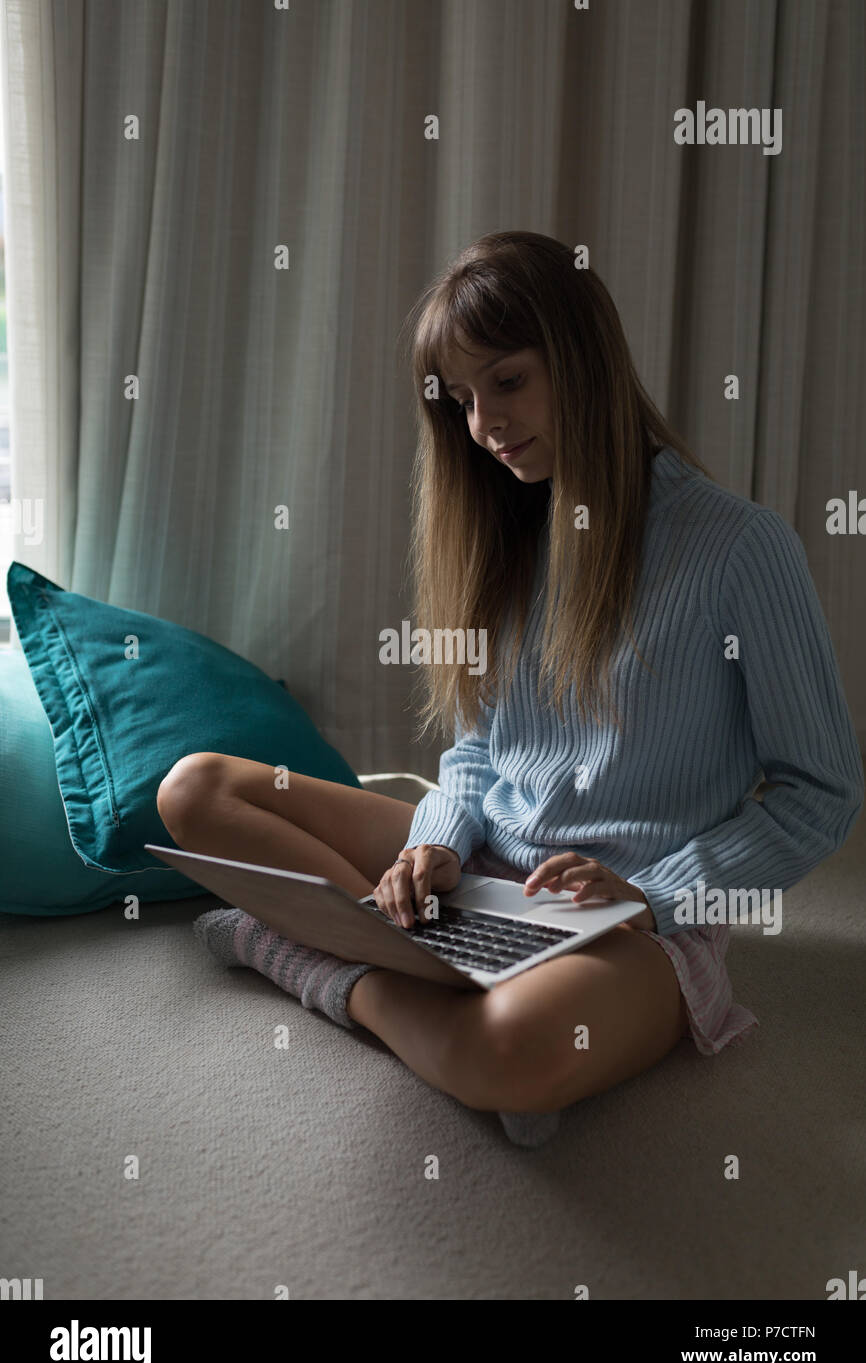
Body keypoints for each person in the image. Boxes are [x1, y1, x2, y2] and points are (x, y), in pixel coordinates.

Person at [157, 231, 863, 1147]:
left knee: (514, 1064)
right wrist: (439, 845)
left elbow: (821, 794)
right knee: (193, 789)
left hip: (628, 916)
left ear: (583, 357)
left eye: (508, 381)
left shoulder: (740, 549)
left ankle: (311, 959)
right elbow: (482, 751)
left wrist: (651, 895)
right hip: (487, 861)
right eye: (459, 401)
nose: (483, 425)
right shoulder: (511, 533)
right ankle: (424, 949)